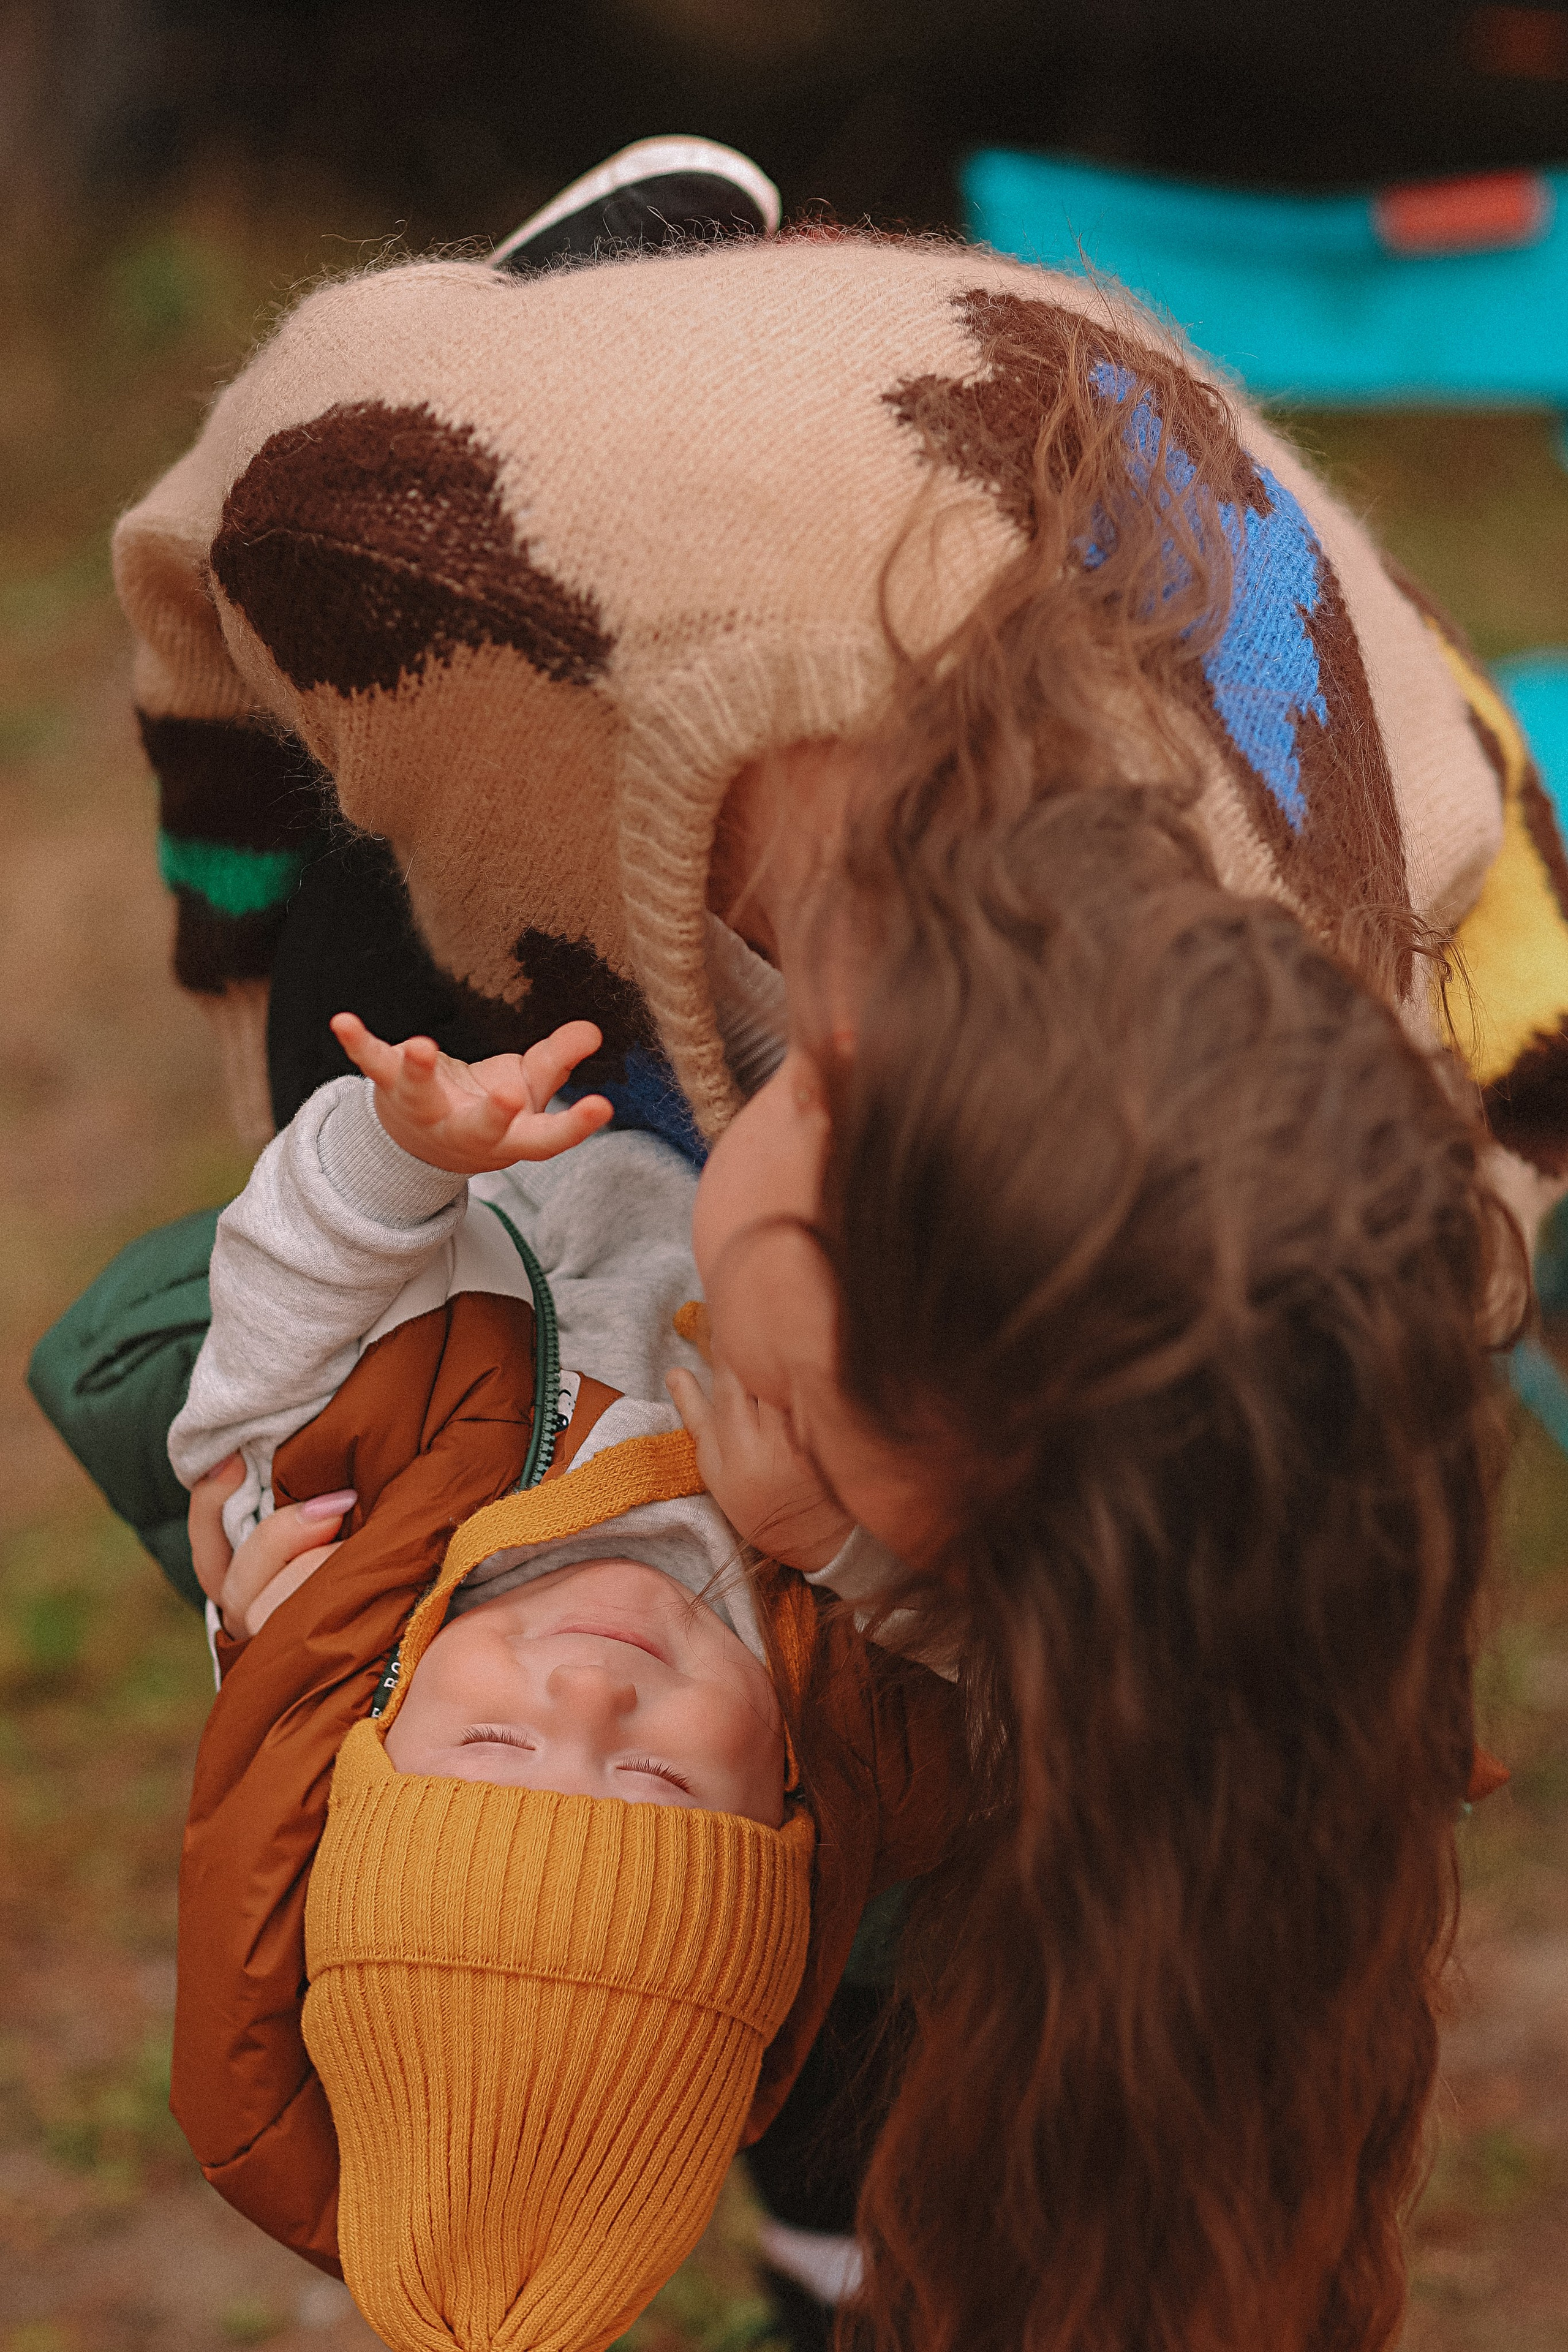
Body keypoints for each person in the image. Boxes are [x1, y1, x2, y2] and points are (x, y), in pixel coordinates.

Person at [91, 159, 1568, 2351]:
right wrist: (272, 1037)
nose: (745, 1491)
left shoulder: (1383, 1146)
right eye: (780, 1395)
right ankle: (630, 273)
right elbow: (196, 605)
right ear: (831, 1061)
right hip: (662, 543)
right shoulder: (416, 537)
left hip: (1235, 681)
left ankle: (825, 2198)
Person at [171, 1007, 965, 2351]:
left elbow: (283, 1285)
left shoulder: (337, 1540)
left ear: (391, 1711)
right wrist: (829, 1540)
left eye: (490, 1747)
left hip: (527, 1075)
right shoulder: (854, 1677)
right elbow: (1054, 1657)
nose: (589, 1704)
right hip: (844, 1105)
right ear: (783, 1790)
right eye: (656, 1774)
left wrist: (400, 1149)